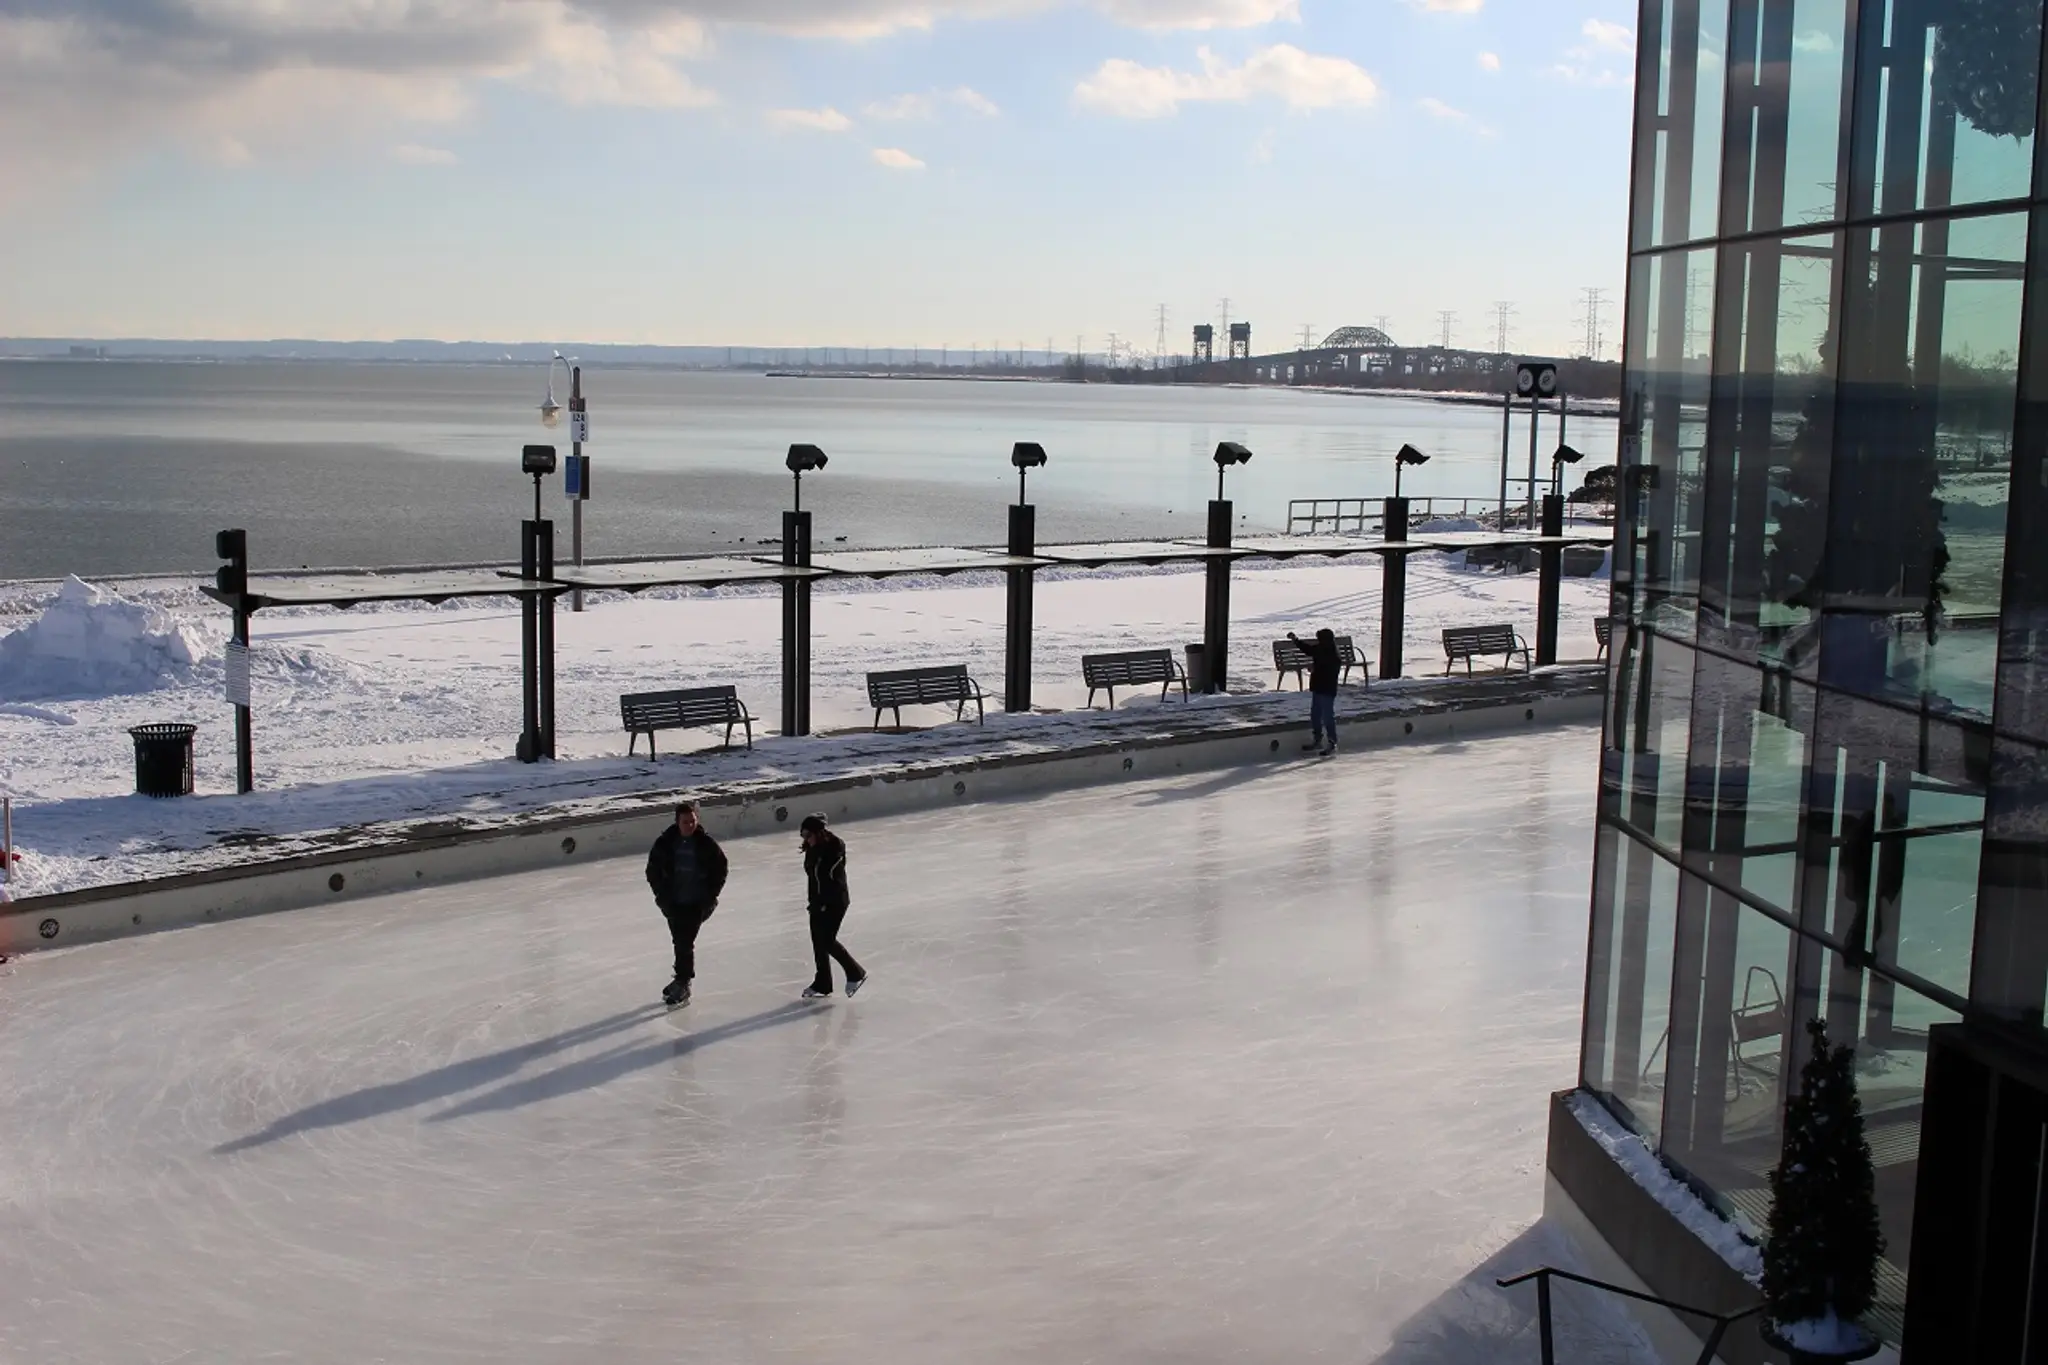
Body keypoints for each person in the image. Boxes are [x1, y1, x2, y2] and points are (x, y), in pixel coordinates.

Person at [645, 801, 729, 1008]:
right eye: (685, 822)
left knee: (684, 942)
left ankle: (683, 982)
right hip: (673, 902)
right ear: (677, 822)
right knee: (679, 940)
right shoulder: (666, 843)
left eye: (693, 821)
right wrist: (661, 896)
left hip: (696, 903)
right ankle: (680, 978)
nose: (690, 825)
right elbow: (652, 870)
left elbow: (721, 868)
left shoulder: (705, 843)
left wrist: (711, 896)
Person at [799, 813, 867, 1000]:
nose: (806, 839)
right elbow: (813, 878)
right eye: (803, 835)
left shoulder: (834, 846)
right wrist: (815, 902)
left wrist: (824, 902)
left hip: (835, 901)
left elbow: (826, 876)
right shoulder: (812, 848)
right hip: (817, 901)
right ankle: (823, 983)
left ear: (818, 833)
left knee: (827, 940)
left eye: (808, 834)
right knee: (817, 942)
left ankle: (856, 973)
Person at [1288, 627, 1342, 756]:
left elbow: (1328, 671)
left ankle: (1332, 742)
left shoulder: (1333, 656)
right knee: (1315, 715)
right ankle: (1318, 739)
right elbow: (1308, 649)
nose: (1318, 642)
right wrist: (1295, 640)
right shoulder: (1320, 649)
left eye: (1320, 639)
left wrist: (1315, 669)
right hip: (1318, 688)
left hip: (1327, 689)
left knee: (1327, 716)